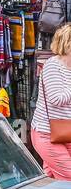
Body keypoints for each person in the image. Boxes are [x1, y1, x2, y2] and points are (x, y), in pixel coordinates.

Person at [32, 23, 71, 180]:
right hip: (46, 133)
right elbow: (56, 99)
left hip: (65, 131)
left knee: (50, 180)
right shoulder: (53, 66)